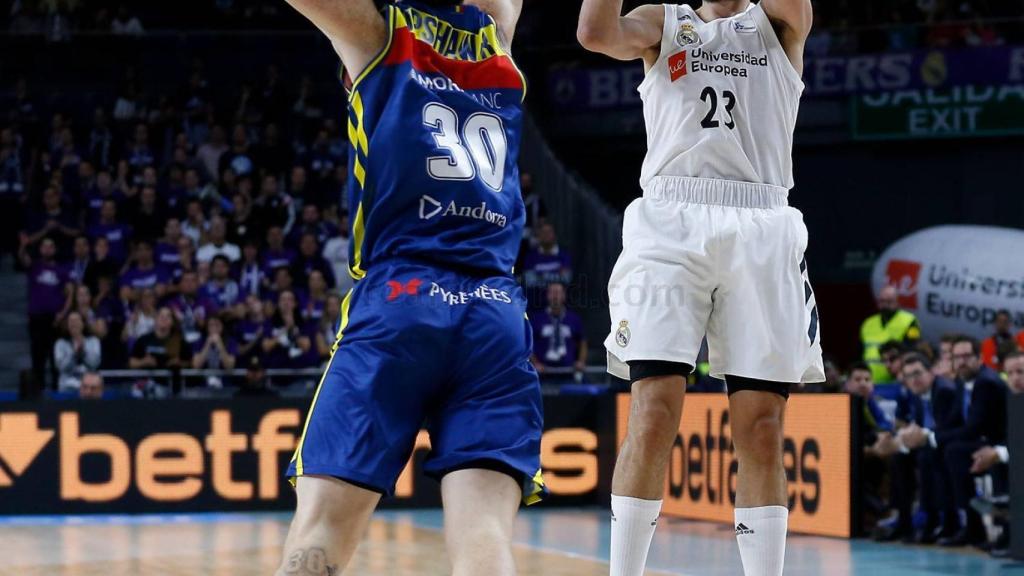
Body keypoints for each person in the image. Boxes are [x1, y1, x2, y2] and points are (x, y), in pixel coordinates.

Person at [276, 0, 539, 575]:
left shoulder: (378, 32)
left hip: (402, 301)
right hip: (494, 312)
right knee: (486, 539)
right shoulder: (496, 39)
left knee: (322, 533)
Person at [578, 0, 819, 574]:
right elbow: (594, 34)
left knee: (760, 427)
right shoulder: (664, 20)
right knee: (654, 410)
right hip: (670, 222)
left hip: (761, 222)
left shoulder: (778, 21)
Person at [898, 335, 1009, 547]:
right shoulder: (961, 380)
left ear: (979, 358)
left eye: (967, 356)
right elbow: (954, 421)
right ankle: (950, 523)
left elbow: (973, 427)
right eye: (957, 357)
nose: (961, 361)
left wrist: (930, 437)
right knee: (937, 452)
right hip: (978, 441)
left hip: (998, 443)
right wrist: (927, 437)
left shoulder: (986, 382)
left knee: (952, 451)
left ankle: (972, 527)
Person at [880, 353, 962, 544]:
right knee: (898, 458)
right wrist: (900, 438)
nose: (913, 379)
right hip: (928, 440)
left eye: (918, 373)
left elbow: (949, 426)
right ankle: (904, 521)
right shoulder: (916, 393)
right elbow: (917, 425)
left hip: (947, 441)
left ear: (931, 372)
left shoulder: (943, 391)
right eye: (908, 376)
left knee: (927, 457)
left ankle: (938, 521)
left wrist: (921, 435)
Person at [860, 285, 921, 382]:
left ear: (897, 302)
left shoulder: (910, 321)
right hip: (869, 380)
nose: (885, 305)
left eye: (889, 301)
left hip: (896, 380)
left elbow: (912, 350)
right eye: (882, 301)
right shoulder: (868, 323)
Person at [529, 282, 588, 381]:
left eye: (558, 292)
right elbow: (528, 344)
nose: (555, 296)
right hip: (543, 372)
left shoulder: (574, 318)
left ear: (564, 296)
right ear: (547, 296)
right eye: (552, 292)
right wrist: (535, 363)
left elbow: (582, 341)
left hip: (568, 370)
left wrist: (581, 361)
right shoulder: (536, 319)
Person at [53, 311, 103, 392]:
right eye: (71, 321)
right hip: (67, 386)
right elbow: (61, 367)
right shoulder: (60, 343)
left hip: (89, 386)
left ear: (83, 323)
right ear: (67, 325)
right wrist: (74, 354)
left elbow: (95, 364)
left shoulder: (93, 341)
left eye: (76, 321)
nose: (74, 324)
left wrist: (83, 352)